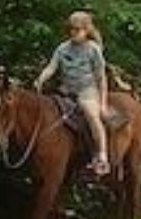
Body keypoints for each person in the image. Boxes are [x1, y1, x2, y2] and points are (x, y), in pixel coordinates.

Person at [36, 10, 112, 176]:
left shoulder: (93, 49)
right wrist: (41, 79)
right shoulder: (62, 49)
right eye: (71, 29)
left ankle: (102, 156)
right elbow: (51, 67)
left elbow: (101, 77)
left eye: (78, 30)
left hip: (87, 90)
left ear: (86, 31)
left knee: (92, 116)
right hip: (66, 90)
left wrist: (103, 103)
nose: (74, 33)